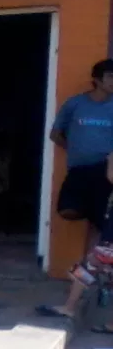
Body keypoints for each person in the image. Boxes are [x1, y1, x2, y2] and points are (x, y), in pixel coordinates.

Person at [37, 59, 113, 320]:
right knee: (96, 252)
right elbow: (56, 133)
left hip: (105, 186)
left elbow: (110, 175)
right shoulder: (76, 104)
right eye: (110, 77)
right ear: (98, 79)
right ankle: (73, 305)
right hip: (85, 175)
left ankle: (77, 305)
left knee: (98, 255)